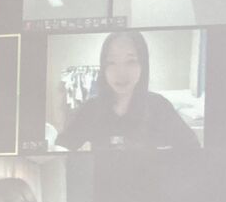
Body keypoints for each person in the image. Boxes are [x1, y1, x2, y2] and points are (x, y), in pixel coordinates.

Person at [54, 30, 201, 152]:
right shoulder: (91, 108)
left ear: (143, 65)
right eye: (111, 62)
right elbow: (62, 145)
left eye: (131, 61)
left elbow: (191, 146)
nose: (121, 73)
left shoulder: (159, 106)